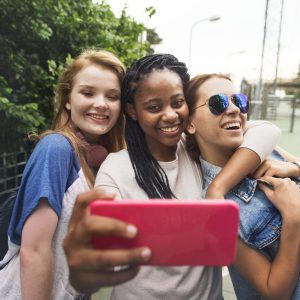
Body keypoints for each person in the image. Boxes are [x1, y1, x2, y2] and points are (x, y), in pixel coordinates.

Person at [90, 53, 280, 299]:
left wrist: (218, 188)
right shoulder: (116, 167)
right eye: (154, 107)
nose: (170, 115)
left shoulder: (196, 148)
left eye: (177, 103)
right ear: (132, 110)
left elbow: (266, 130)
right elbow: (106, 241)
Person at [0, 49, 149, 299]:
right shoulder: (57, 148)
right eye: (88, 93)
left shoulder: (101, 163)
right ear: (68, 99)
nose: (100, 103)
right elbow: (34, 250)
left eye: (112, 96)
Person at [185, 73, 300, 299]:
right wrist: (294, 217)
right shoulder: (216, 207)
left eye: (239, 101)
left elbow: (267, 129)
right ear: (190, 124)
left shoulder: (265, 149)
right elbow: (274, 291)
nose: (234, 109)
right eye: (217, 103)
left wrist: (295, 168)